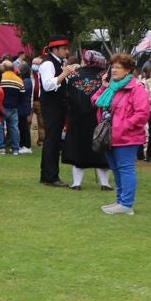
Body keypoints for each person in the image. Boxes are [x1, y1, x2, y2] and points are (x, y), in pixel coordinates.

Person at [93, 53, 150, 215]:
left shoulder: (136, 88)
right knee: (116, 170)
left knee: (125, 169)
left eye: (118, 67)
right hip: (109, 136)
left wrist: (122, 126)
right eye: (113, 67)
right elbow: (95, 100)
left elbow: (142, 114)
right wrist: (103, 87)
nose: (114, 70)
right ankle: (120, 202)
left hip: (126, 137)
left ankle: (126, 204)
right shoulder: (112, 87)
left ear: (128, 70)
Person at [62, 50, 111, 191]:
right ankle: (105, 184)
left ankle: (76, 183)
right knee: (101, 149)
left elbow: (67, 97)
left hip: (77, 119)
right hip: (99, 119)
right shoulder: (105, 77)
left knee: (78, 149)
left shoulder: (74, 76)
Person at [38, 37, 73, 185]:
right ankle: (50, 176)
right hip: (51, 106)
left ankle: (49, 175)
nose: (67, 51)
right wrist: (64, 74)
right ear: (55, 49)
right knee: (52, 141)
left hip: (57, 105)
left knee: (53, 140)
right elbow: (47, 85)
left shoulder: (57, 63)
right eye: (64, 48)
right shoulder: (47, 64)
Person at [0, 60, 25, 155]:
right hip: (14, 107)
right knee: (14, 128)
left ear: (4, 67)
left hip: (1, 107)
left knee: (0, 127)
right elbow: (22, 95)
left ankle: (0, 148)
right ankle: (15, 149)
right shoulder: (19, 80)